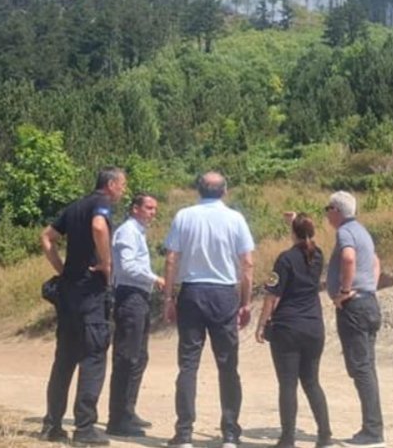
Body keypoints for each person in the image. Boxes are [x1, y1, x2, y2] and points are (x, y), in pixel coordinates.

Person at [163, 171, 255, 448]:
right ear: (225, 191)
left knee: (188, 364)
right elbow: (247, 264)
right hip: (224, 293)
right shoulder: (235, 219)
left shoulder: (184, 216)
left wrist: (169, 297)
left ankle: (184, 433)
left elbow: (171, 258)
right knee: (228, 365)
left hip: (192, 291)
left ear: (198, 190)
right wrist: (246, 301)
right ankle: (229, 433)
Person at [39, 167, 127, 447]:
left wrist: (63, 270)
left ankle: (52, 424)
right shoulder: (100, 203)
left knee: (64, 360)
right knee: (93, 358)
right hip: (91, 294)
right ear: (111, 185)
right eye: (122, 185)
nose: (123, 191)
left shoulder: (74, 206)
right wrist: (106, 263)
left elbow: (46, 237)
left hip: (69, 295)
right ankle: (85, 428)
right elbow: (99, 227)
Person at [255, 212, 332, 448]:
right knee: (311, 382)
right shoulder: (317, 256)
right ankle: (325, 435)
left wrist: (261, 324)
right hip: (313, 326)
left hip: (288, 327)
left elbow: (272, 296)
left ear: (292, 233)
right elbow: (305, 238)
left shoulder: (285, 259)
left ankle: (287, 438)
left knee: (288, 384)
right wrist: (297, 221)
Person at [324, 191, 384, 448]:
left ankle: (372, 432)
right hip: (369, 302)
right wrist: (370, 285)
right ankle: (373, 427)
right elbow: (375, 261)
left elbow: (349, 258)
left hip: (355, 307)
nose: (326, 213)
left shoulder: (345, 232)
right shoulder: (362, 230)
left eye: (328, 208)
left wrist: (345, 291)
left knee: (360, 368)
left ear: (337, 210)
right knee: (366, 367)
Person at [105, 193, 165, 437]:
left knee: (139, 356)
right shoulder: (128, 231)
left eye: (154, 208)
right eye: (149, 208)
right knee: (127, 357)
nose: (153, 212)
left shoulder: (138, 231)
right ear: (135, 209)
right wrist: (155, 278)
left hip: (139, 297)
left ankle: (127, 411)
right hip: (129, 296)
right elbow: (127, 266)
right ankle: (117, 418)